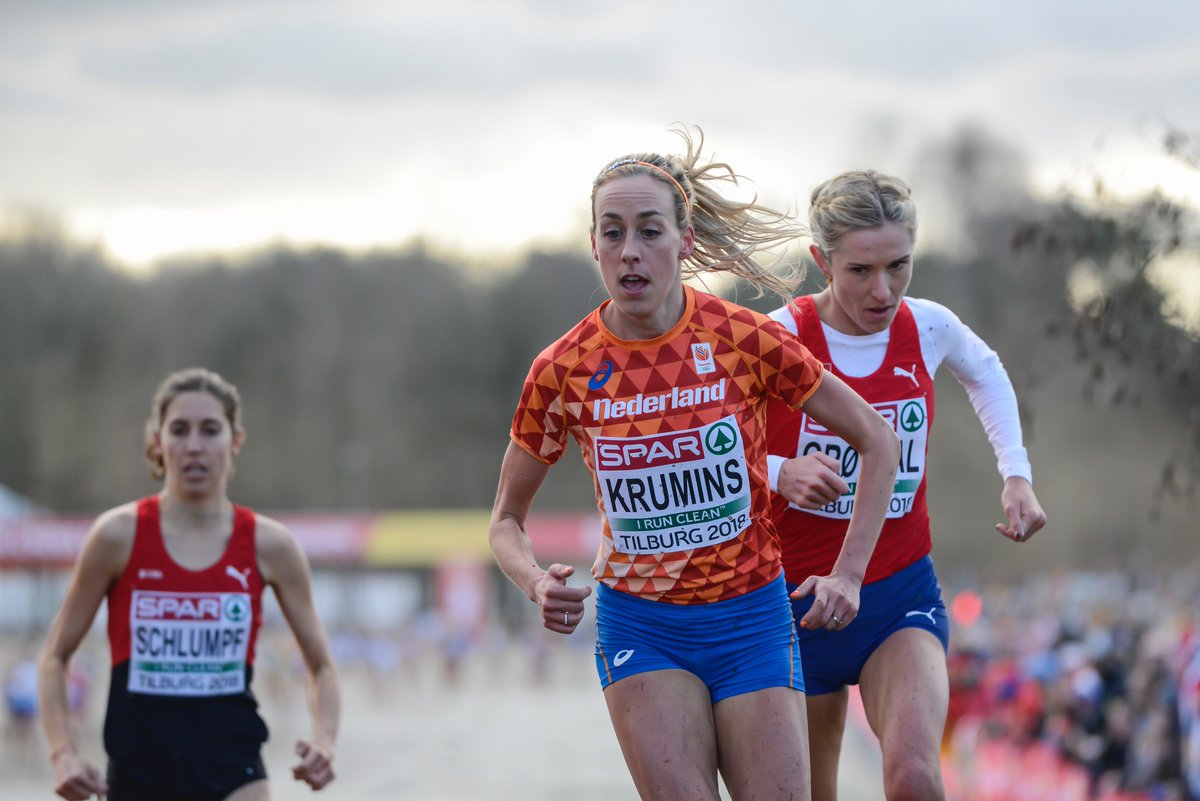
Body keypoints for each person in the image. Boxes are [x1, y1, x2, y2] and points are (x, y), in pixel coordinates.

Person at [488, 127, 901, 801]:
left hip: (751, 616)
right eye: (613, 232)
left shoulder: (743, 337)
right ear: (594, 244)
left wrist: (850, 574)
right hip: (642, 625)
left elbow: (878, 440)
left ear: (684, 240)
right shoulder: (562, 369)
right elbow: (505, 519)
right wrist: (535, 582)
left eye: (649, 231)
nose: (630, 250)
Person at [764, 169, 1048, 801]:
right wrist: (782, 472)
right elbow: (709, 439)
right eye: (860, 270)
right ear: (821, 261)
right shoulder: (780, 335)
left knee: (915, 777)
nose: (883, 290)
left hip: (896, 594)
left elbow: (987, 372)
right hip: (791, 603)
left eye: (899, 265)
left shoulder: (928, 326)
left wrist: (1016, 474)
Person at [38, 367, 340, 801]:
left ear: (235, 441)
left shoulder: (270, 545)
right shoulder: (116, 536)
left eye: (210, 430)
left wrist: (325, 740)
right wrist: (62, 753)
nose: (194, 446)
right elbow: (54, 656)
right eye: (179, 430)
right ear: (157, 441)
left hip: (234, 771)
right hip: (138, 776)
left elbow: (322, 665)